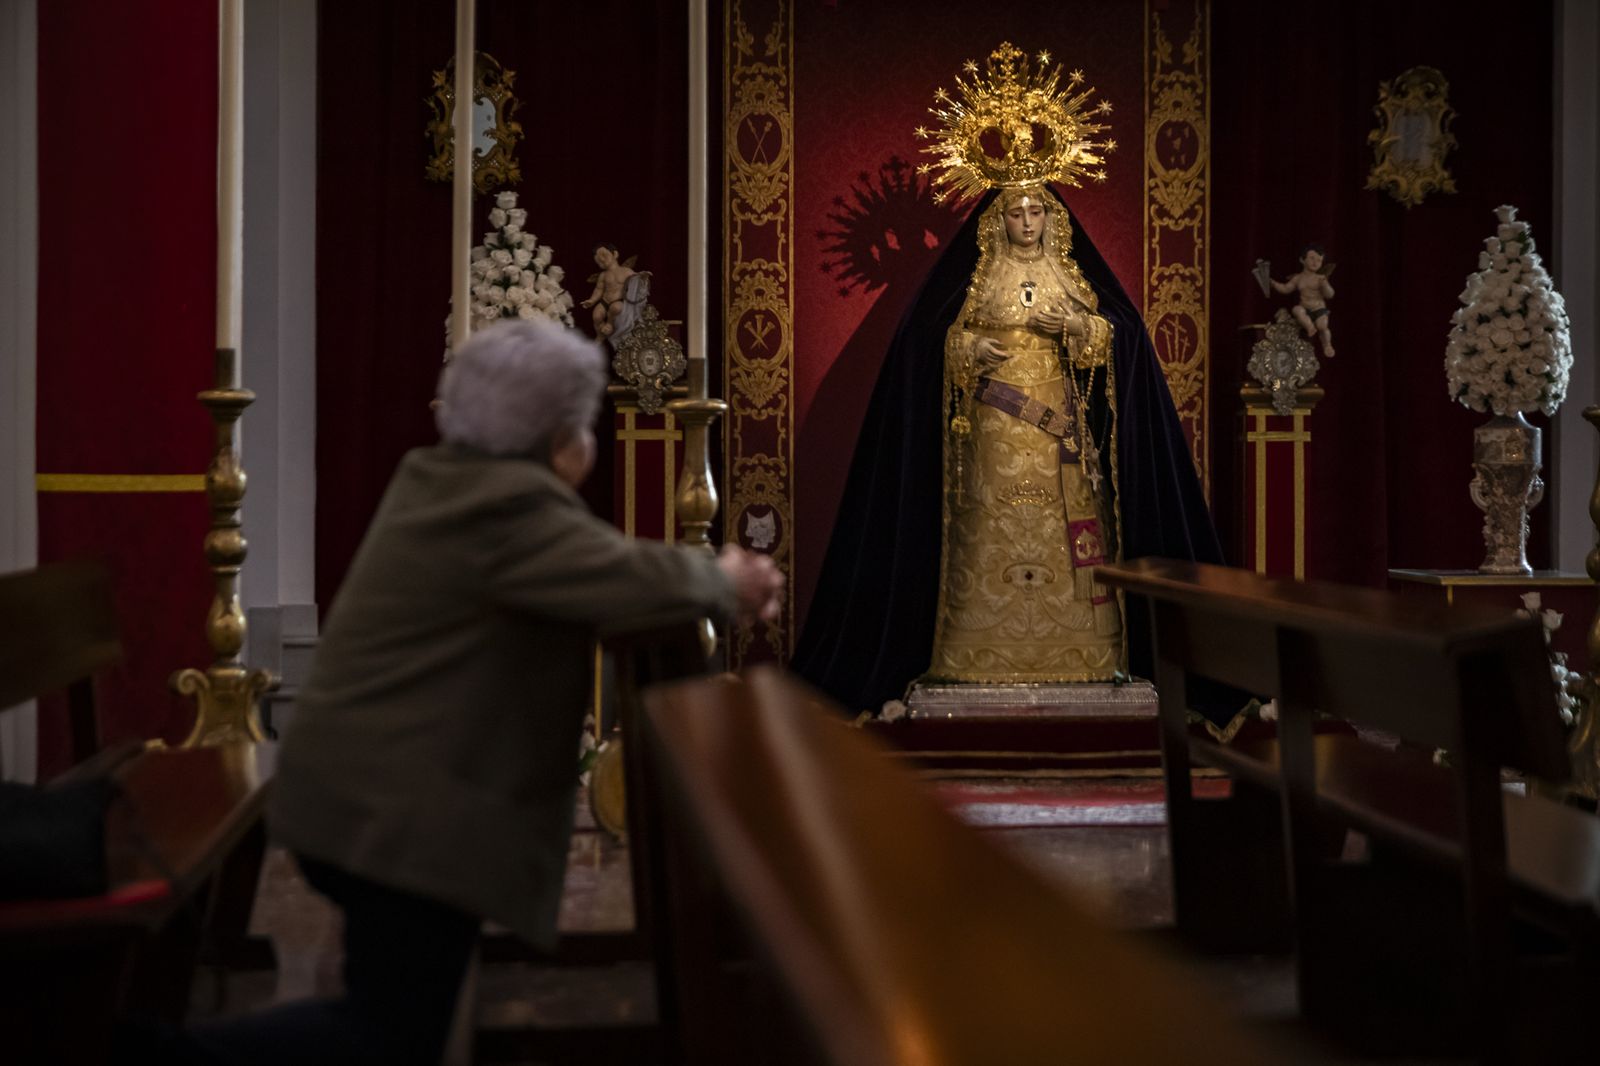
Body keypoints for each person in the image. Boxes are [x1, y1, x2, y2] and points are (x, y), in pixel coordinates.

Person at [157, 319, 782, 1066]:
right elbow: (624, 573)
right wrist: (728, 579)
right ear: (560, 440)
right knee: (387, 1036)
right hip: (398, 820)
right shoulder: (506, 507)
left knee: (392, 1013)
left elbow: (603, 565)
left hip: (365, 800)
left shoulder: (444, 477)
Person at [1270, 243, 1336, 358]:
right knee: (1296, 309)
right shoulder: (1298, 278)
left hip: (1319, 308)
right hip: (1305, 310)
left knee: (1322, 326)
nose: (1315, 262)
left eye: (1319, 260)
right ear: (1302, 260)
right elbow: (1286, 289)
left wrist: (1325, 285)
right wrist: (1274, 284)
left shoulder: (1320, 278)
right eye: (1312, 258)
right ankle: (1310, 326)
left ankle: (1327, 345)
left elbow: (1330, 294)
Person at [579, 242, 645, 341]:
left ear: (615, 254)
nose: (601, 259)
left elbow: (636, 281)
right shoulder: (603, 275)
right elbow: (599, 289)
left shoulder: (626, 271)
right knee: (596, 315)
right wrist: (592, 300)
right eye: (598, 260)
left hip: (619, 300)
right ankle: (600, 334)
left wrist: (643, 276)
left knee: (615, 308)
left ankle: (610, 324)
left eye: (604, 255)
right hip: (605, 301)